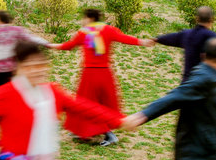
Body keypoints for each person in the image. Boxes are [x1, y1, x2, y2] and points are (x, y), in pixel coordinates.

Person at [49, 8, 153, 146]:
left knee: (85, 103)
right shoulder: (109, 29)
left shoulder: (84, 32)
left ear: (89, 18)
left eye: (84, 18)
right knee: (104, 104)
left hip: (90, 74)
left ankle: (106, 134)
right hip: (105, 73)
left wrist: (51, 45)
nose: (83, 21)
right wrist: (143, 42)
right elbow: (125, 38)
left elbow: (68, 46)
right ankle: (84, 130)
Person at [150, 6, 216, 81]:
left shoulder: (187, 34)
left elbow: (171, 38)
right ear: (211, 19)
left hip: (186, 83)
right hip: (201, 84)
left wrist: (157, 39)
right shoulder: (211, 36)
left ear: (196, 18)